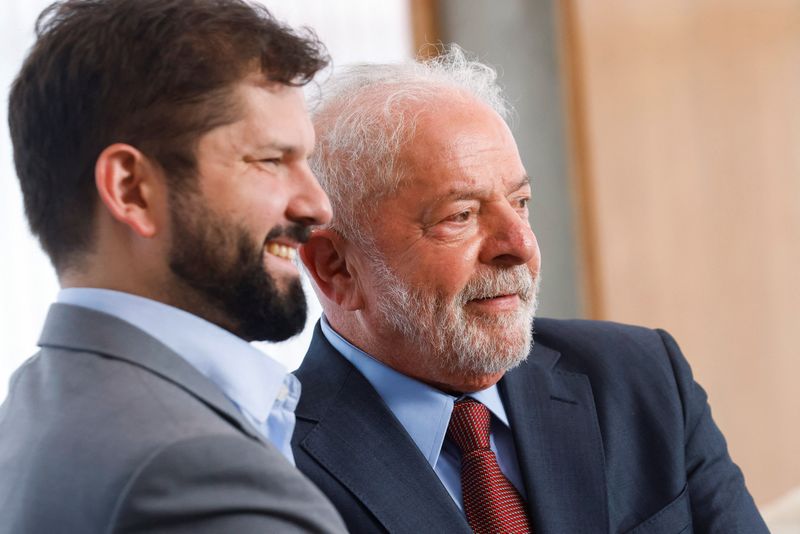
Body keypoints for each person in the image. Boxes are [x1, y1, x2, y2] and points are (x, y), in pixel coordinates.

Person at [292, 47, 769, 533]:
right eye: (460, 215)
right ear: (336, 268)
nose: (520, 245)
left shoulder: (641, 377)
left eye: (520, 202)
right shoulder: (272, 462)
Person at [0, 1, 347, 532]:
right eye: (270, 161)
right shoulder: (199, 475)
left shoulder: (35, 404)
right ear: (131, 189)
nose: (318, 206)